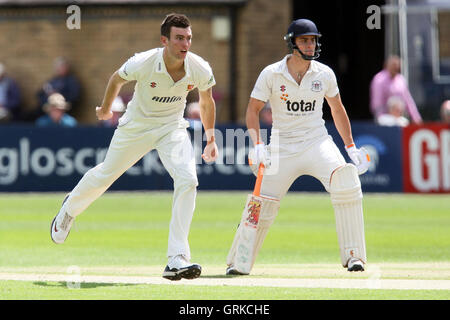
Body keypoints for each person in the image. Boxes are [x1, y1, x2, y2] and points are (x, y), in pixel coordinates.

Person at [50, 13, 218, 281]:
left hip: (171, 127)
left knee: (188, 180)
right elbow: (116, 79)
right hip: (136, 127)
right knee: (106, 174)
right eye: (178, 38)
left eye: (188, 38)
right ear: (165, 40)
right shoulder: (144, 61)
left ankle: (177, 258)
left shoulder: (199, 67)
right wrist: (105, 109)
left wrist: (210, 138)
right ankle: (69, 208)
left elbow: (207, 102)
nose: (184, 44)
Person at [226, 19, 370, 275]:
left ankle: (354, 257)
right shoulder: (271, 73)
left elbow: (337, 109)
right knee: (263, 202)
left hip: (317, 142)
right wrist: (258, 144)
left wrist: (350, 148)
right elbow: (253, 109)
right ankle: (239, 260)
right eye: (304, 40)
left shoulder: (324, 73)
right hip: (282, 146)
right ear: (293, 43)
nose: (311, 45)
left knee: (346, 180)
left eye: (313, 40)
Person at [370, 55, 422, 124]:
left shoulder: (401, 80)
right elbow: (377, 102)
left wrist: (416, 118)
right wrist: (380, 119)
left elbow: (408, 101)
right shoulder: (379, 79)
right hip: (384, 119)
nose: (396, 67)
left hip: (399, 118)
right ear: (387, 65)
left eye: (397, 65)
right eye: (393, 65)